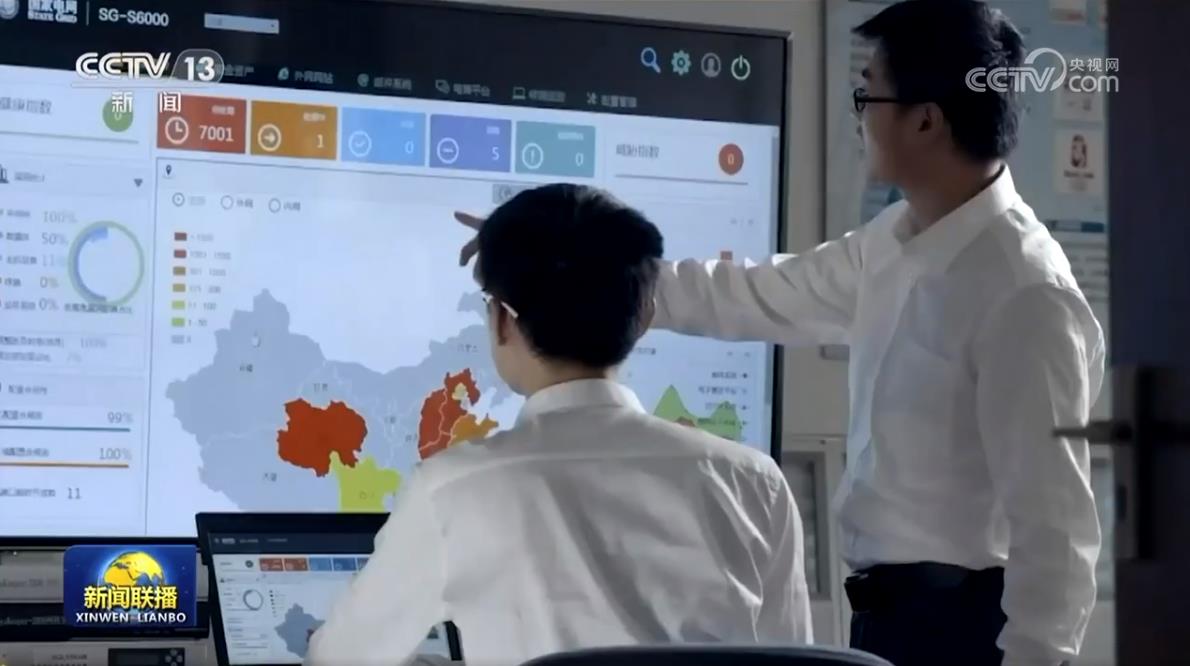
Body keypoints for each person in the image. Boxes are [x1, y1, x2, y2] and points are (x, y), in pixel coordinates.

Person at [460, 1, 1103, 664]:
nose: (860, 117)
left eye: (867, 95)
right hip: (888, 624)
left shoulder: (1025, 295)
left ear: (925, 121)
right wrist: (554, 257)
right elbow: (754, 293)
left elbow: (1057, 538)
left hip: (965, 634)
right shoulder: (897, 240)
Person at [309, 184, 813, 666]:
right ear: (645, 315)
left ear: (501, 320)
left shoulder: (452, 490)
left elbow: (336, 659)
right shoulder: (754, 482)